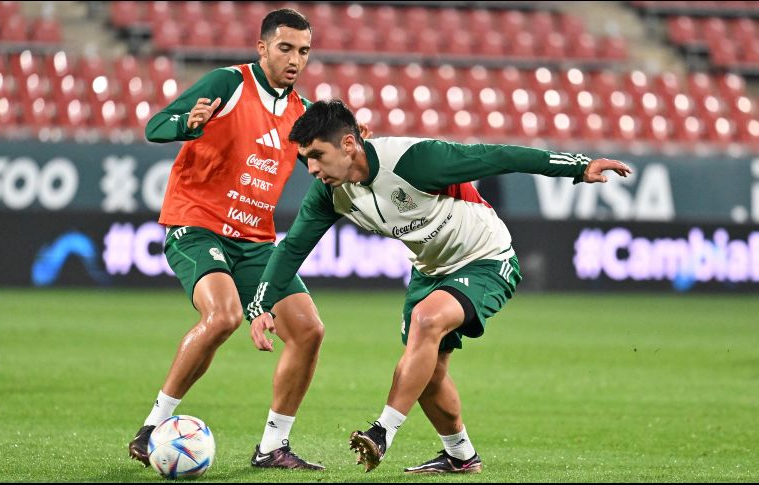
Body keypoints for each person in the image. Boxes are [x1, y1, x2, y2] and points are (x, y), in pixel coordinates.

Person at [247, 99, 632, 474]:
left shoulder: (415, 160)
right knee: (428, 375)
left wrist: (578, 167)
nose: (311, 168)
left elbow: (498, 157)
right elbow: (293, 247)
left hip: (485, 258)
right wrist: (261, 305)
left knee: (426, 319)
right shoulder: (330, 193)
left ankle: (381, 433)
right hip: (428, 272)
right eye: (305, 160)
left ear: (349, 143)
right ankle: (461, 456)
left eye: (317, 155)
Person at [129, 8, 329, 471]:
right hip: (197, 225)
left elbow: (326, 169)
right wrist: (189, 125)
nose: (295, 59)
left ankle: (272, 447)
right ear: (262, 48)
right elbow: (156, 125)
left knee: (310, 331)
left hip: (255, 241)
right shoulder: (229, 83)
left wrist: (351, 151)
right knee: (223, 317)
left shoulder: (300, 114)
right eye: (285, 48)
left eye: (303, 50)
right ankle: (151, 429)